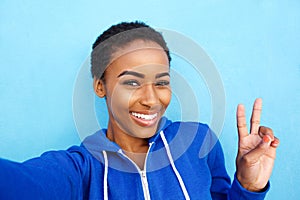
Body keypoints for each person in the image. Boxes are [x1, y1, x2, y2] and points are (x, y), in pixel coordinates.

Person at [0, 21, 279, 200]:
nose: (151, 100)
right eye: (132, 82)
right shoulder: (82, 167)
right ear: (101, 86)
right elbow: (21, 184)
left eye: (161, 82)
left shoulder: (198, 140)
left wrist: (248, 186)